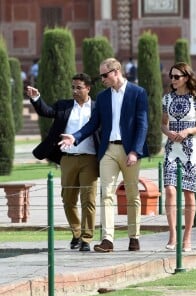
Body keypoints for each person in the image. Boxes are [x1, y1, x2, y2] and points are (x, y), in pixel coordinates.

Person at [58, 58, 149, 253]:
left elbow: (142, 124)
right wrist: (74, 138)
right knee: (106, 194)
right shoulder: (103, 97)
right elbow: (93, 124)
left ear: (116, 72)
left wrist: (135, 151)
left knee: (132, 196)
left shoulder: (137, 93)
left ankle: (134, 237)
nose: (102, 79)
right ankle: (107, 239)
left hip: (130, 150)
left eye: (104, 75)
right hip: (108, 150)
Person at [26, 73, 99, 252]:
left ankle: (86, 238)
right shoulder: (64, 106)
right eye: (73, 87)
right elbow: (46, 111)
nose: (75, 91)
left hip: (89, 159)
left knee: (88, 200)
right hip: (67, 159)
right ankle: (76, 233)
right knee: (68, 200)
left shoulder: (98, 108)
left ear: (88, 88)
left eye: (79, 87)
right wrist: (36, 98)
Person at [161, 62, 196, 252]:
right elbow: (163, 124)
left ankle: (187, 238)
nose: (172, 80)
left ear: (186, 78)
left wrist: (189, 130)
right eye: (171, 77)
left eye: (176, 77)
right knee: (170, 191)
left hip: (190, 150)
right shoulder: (167, 99)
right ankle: (173, 235)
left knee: (189, 194)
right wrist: (168, 133)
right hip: (171, 149)